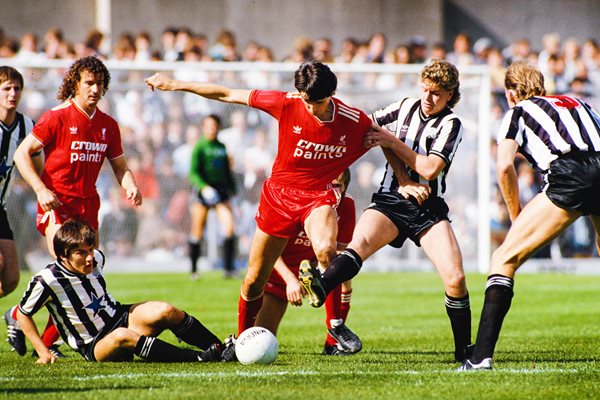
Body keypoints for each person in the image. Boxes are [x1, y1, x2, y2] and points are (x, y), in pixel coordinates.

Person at [145, 61, 373, 359]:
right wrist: (174, 84)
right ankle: (240, 341)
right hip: (279, 198)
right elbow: (227, 93)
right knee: (253, 283)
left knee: (327, 253)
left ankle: (335, 326)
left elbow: (386, 139)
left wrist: (407, 176)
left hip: (317, 197)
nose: (311, 108)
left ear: (332, 93)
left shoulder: (353, 120)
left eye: (317, 102)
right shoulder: (285, 103)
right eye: (305, 100)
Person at [299, 59, 473, 362]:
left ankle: (464, 354)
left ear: (450, 95)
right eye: (425, 90)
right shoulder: (405, 106)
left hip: (428, 208)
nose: (428, 98)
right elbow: (369, 128)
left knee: (456, 279)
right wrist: (402, 178)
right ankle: (320, 284)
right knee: (357, 248)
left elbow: (430, 168)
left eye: (436, 94)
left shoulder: (451, 124)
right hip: (391, 199)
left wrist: (392, 142)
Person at [459, 61, 600, 371]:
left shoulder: (517, 112)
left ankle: (480, 357)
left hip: (571, 173)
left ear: (511, 93)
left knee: (503, 260)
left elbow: (504, 165)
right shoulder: (579, 102)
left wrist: (515, 216)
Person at [6, 56, 142, 359]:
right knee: (70, 273)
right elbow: (22, 154)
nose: (95, 89)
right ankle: (23, 315)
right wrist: (41, 189)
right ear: (75, 85)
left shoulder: (108, 125)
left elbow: (120, 166)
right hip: (58, 205)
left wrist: (129, 184)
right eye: (88, 83)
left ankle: (32, 326)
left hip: (88, 208)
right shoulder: (57, 117)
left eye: (99, 83)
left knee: (84, 275)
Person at [16, 219, 223, 364]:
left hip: (120, 317)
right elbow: (23, 314)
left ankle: (221, 348)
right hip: (95, 344)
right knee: (122, 335)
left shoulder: (97, 258)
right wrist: (43, 351)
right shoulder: (47, 279)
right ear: (63, 255)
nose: (89, 258)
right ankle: (196, 358)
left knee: (165, 310)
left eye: (90, 250)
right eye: (81, 253)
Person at [255, 169, 361, 355]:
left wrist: (318, 273)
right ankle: (236, 342)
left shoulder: (346, 205)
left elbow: (341, 251)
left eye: (338, 186)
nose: (333, 193)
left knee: (343, 273)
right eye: (329, 186)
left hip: (309, 268)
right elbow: (268, 253)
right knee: (260, 341)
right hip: (277, 273)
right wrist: (291, 280)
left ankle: (333, 342)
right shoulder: (295, 201)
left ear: (345, 188)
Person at [0, 66, 43, 356]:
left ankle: (10, 315)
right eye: (6, 89)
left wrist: (44, 188)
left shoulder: (28, 126)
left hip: (0, 207)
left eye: (17, 88)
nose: (13, 94)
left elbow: (38, 167)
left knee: (11, 279)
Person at [188, 114, 237, 279]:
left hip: (221, 192)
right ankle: (194, 270)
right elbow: (193, 172)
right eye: (209, 125)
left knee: (229, 228)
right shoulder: (200, 146)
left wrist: (232, 188)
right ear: (204, 127)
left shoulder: (222, 147)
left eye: (214, 125)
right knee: (197, 232)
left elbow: (226, 171)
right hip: (204, 193)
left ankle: (228, 269)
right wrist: (204, 187)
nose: (212, 129)